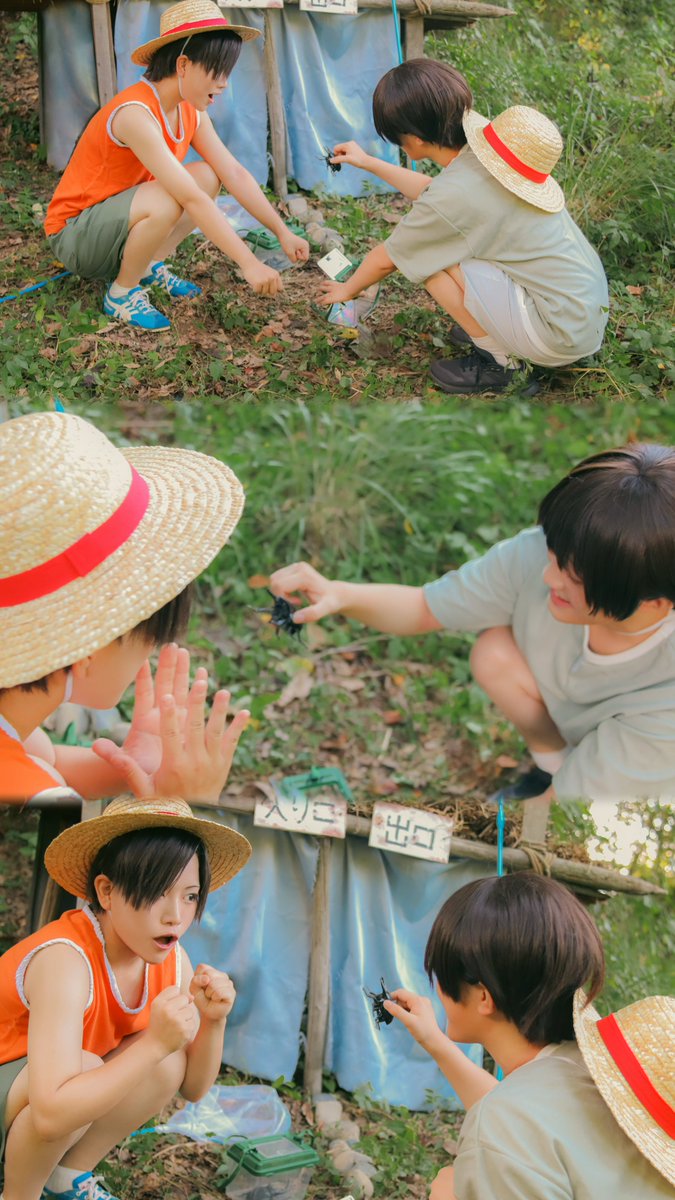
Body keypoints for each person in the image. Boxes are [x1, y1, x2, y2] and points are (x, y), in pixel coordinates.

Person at [270, 443, 675, 802]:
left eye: (576, 578)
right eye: (555, 555)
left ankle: (566, 775)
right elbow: (425, 607)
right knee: (494, 651)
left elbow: (558, 811)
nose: (550, 577)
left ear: (658, 603)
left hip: (632, 770)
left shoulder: (666, 701)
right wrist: (341, 594)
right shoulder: (543, 554)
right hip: (576, 725)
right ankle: (550, 766)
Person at [0, 795, 252, 1200]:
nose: (176, 915)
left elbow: (191, 1088)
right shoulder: (65, 960)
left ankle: (65, 1178)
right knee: (86, 1068)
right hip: (19, 1093)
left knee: (168, 1061)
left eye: (189, 896)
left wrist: (213, 1021)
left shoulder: (171, 962)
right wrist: (152, 1044)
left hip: (43, 1101)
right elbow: (49, 1116)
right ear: (107, 891)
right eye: (157, 892)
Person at [0, 408, 250, 804]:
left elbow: (46, 759)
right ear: (88, 648)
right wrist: (185, 805)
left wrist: (135, 763)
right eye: (148, 635)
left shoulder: (15, 727)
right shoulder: (36, 794)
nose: (151, 653)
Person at [319, 58, 609, 395]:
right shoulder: (488, 153)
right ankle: (497, 328)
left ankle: (502, 365)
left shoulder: (455, 196)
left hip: (555, 335)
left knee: (433, 261)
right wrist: (367, 162)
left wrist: (346, 290)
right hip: (582, 315)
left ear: (412, 139)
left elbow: (390, 256)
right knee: (443, 243)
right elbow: (436, 195)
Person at [382, 872, 674, 1200]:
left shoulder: (500, 1130)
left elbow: (510, 1122)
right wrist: (433, 1039)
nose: (435, 987)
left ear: (483, 997)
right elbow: (523, 1113)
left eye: (439, 973)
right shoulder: (584, 1068)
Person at [43, 0, 309, 331]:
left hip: (116, 222)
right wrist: (249, 263)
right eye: (217, 70)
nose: (224, 83)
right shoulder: (134, 114)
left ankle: (149, 264)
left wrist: (281, 232)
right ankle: (121, 293)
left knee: (208, 177)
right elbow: (189, 198)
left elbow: (234, 173)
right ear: (183, 65)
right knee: (176, 194)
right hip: (76, 235)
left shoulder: (190, 111)